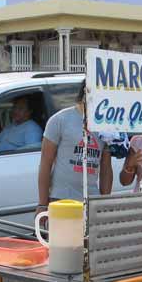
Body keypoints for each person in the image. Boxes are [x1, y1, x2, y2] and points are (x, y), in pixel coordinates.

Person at [37, 83, 113, 214]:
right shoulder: (59, 120)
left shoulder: (105, 125)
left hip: (92, 202)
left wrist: (104, 203)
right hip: (61, 200)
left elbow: (106, 168)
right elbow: (45, 163)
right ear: (85, 91)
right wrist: (42, 204)